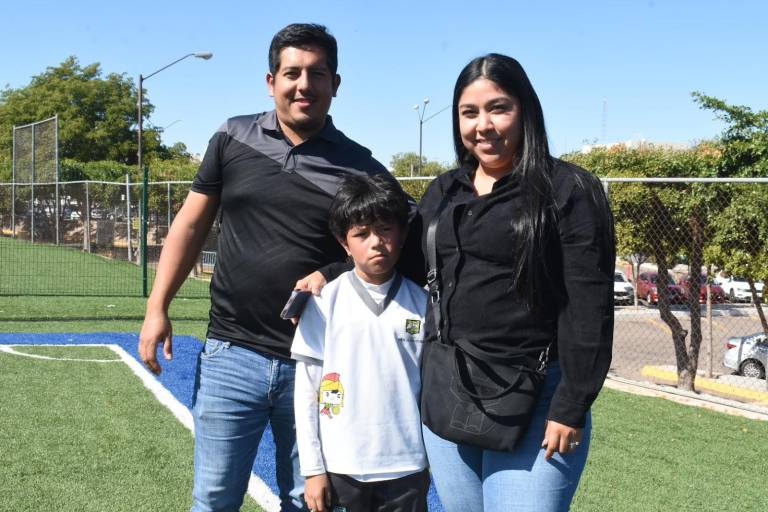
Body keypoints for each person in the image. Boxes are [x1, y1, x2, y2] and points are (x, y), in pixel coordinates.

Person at [138, 23, 413, 512]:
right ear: (271, 81)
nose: (304, 85)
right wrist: (157, 306)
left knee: (310, 502)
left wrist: (332, 271)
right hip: (230, 354)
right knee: (213, 499)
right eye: (292, 73)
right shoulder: (232, 136)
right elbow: (189, 225)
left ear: (335, 84)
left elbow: (402, 238)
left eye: (317, 74)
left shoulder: (361, 168)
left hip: (315, 364)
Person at [417, 54, 615, 512]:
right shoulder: (443, 191)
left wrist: (570, 406)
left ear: (525, 110)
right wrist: (329, 273)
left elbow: (589, 309)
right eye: (469, 113)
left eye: (498, 108)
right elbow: (397, 261)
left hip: (537, 400)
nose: (483, 125)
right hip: (449, 387)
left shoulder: (568, 190)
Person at [291, 174, 430, 512]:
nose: (376, 242)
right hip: (341, 466)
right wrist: (313, 470)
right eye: (362, 234)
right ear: (344, 243)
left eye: (385, 229)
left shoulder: (424, 304)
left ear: (402, 233)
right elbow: (307, 391)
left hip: (408, 466)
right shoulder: (323, 301)